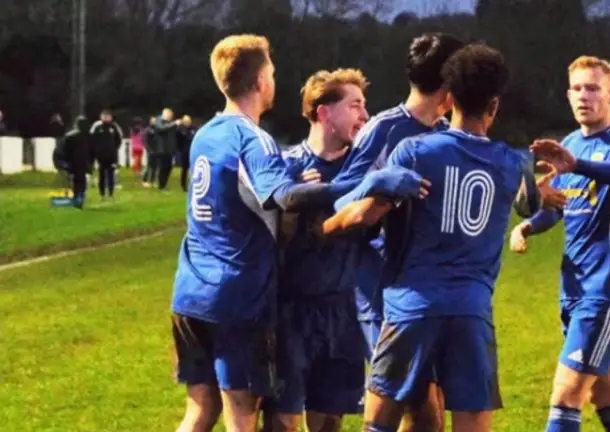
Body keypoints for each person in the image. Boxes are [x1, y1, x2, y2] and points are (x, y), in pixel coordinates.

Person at [170, 33, 428, 432]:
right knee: (249, 416)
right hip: (250, 301)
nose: (365, 114)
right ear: (260, 81)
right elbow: (286, 200)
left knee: (204, 410)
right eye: (355, 104)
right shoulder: (260, 144)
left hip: (205, 290)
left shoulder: (206, 133)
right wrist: (362, 189)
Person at [324, 43, 566, 432]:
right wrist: (545, 194)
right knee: (469, 420)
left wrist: (344, 211)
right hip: (471, 311)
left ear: (449, 97)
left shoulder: (415, 152)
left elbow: (359, 218)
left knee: (380, 424)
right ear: (495, 106)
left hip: (410, 308)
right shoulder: (511, 163)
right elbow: (530, 201)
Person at [509, 55, 610, 432]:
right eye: (576, 88)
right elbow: (559, 208)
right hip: (573, 287)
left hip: (607, 290)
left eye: (593, 88)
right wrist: (526, 227)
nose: (583, 96)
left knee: (565, 395)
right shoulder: (570, 144)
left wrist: (578, 166)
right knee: (607, 398)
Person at [329, 32, 466, 431]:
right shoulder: (384, 130)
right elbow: (341, 202)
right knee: (416, 404)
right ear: (449, 79)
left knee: (428, 410)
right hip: (382, 286)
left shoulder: (450, 132)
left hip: (432, 288)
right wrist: (380, 183)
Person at [262, 68, 371, 432]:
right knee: (283, 423)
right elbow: (265, 241)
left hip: (343, 310)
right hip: (292, 313)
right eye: (355, 105)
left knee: (329, 423)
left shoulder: (363, 168)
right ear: (324, 112)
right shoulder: (286, 167)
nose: (364, 116)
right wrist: (293, 202)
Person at [53, 115, 91, 208]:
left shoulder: (69, 136)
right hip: (82, 162)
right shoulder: (89, 136)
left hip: (73, 163)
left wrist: (62, 163)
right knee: (81, 182)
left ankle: (77, 199)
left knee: (75, 182)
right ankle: (79, 199)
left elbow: (62, 150)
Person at [89, 109, 123, 199]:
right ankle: (102, 194)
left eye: (107, 116)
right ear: (101, 117)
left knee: (111, 175)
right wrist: (95, 151)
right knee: (101, 175)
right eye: (104, 116)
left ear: (111, 117)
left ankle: (111, 194)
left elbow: (119, 139)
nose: (106, 118)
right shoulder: (97, 126)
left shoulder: (114, 127)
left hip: (111, 156)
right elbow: (91, 139)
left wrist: (114, 149)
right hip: (100, 156)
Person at [152, 108, 181, 191]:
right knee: (162, 167)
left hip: (169, 149)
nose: (171, 117)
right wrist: (174, 124)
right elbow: (161, 129)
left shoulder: (170, 123)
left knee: (168, 167)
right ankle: (161, 185)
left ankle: (164, 184)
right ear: (165, 114)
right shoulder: (158, 121)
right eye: (169, 115)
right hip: (162, 149)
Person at [177, 115, 197, 191]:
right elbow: (179, 140)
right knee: (184, 169)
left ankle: (193, 184)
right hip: (184, 151)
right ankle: (183, 185)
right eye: (186, 121)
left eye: (189, 121)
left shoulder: (193, 129)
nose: (188, 122)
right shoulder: (180, 129)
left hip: (192, 150)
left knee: (193, 168)